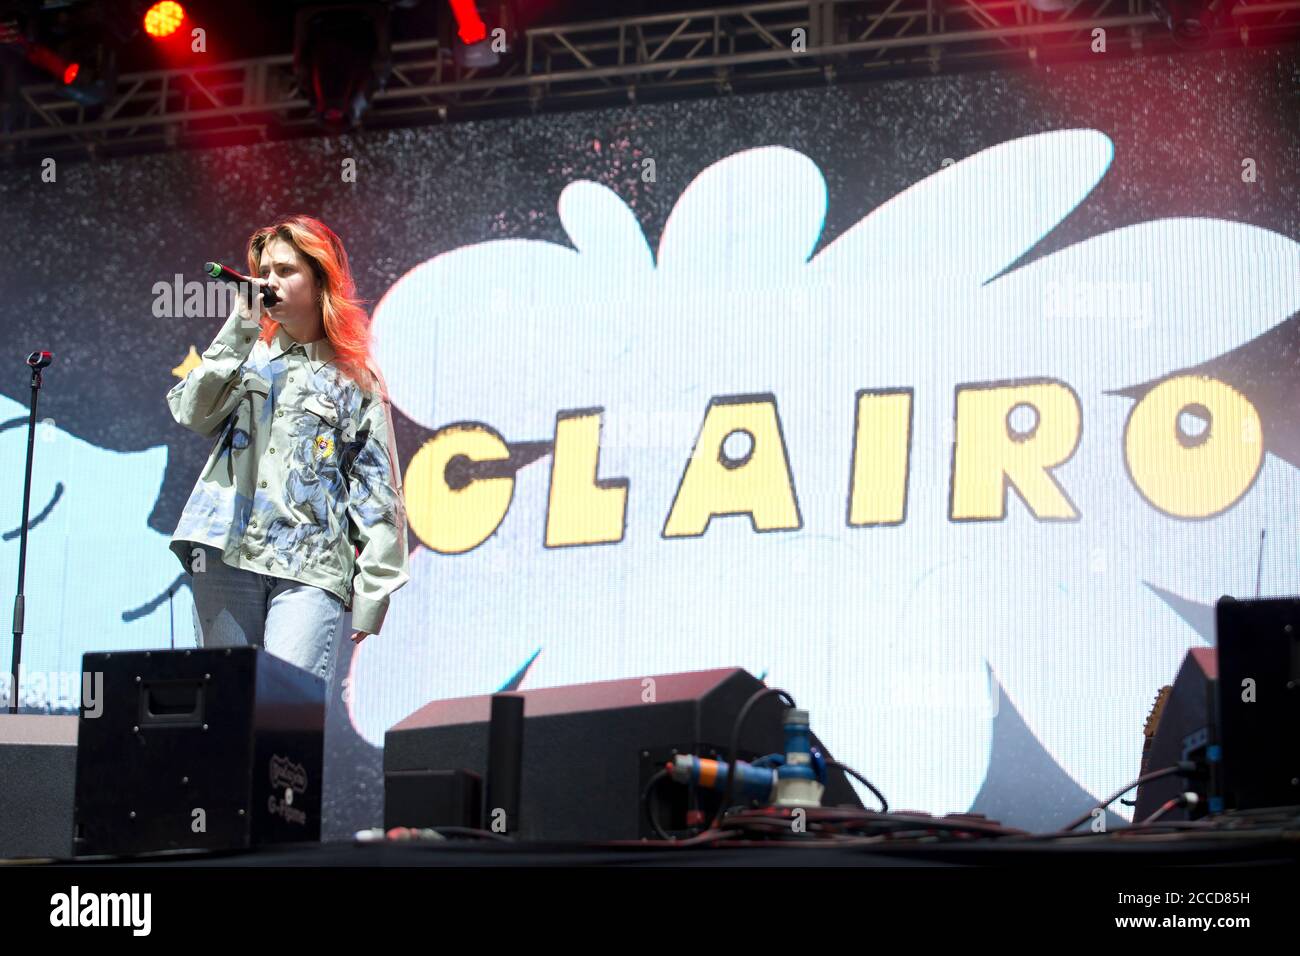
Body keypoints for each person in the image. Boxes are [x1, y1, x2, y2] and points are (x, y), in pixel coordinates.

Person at [166, 215, 409, 683]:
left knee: (286, 714)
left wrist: (375, 588)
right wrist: (239, 327)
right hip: (224, 554)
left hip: (310, 565)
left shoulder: (356, 380)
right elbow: (193, 413)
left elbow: (378, 489)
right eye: (264, 270)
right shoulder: (245, 355)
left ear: (321, 280)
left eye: (285, 270)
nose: (268, 281)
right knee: (228, 713)